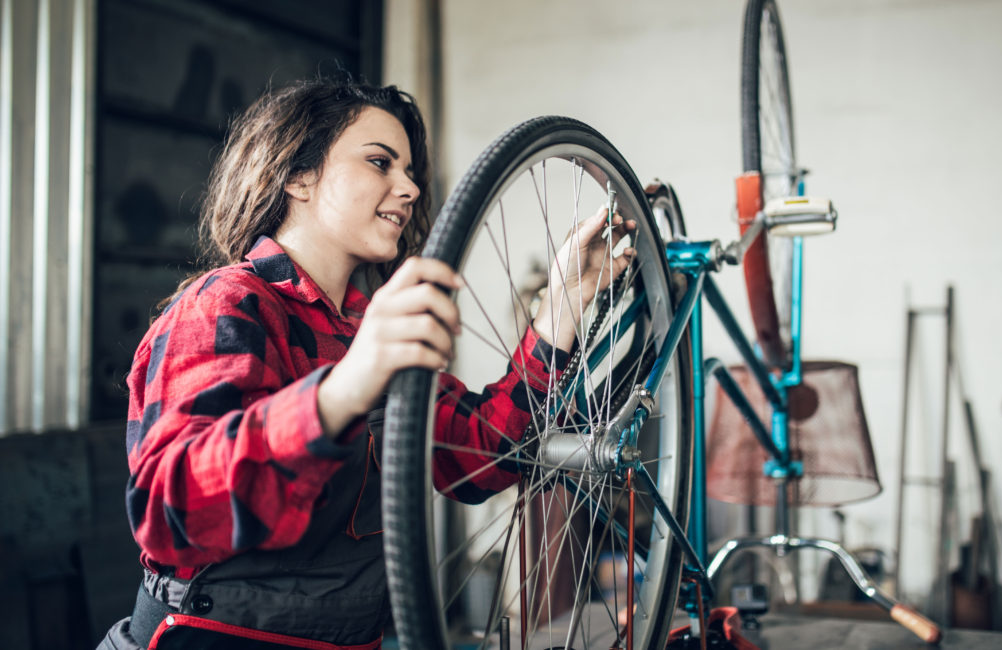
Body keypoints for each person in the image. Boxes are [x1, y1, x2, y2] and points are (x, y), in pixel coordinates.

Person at [98, 77, 636, 650]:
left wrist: (560, 309)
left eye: (410, 173)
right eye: (380, 162)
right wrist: (345, 388)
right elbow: (173, 508)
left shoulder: (364, 328)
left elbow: (483, 458)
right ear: (298, 176)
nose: (407, 188)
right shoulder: (226, 304)